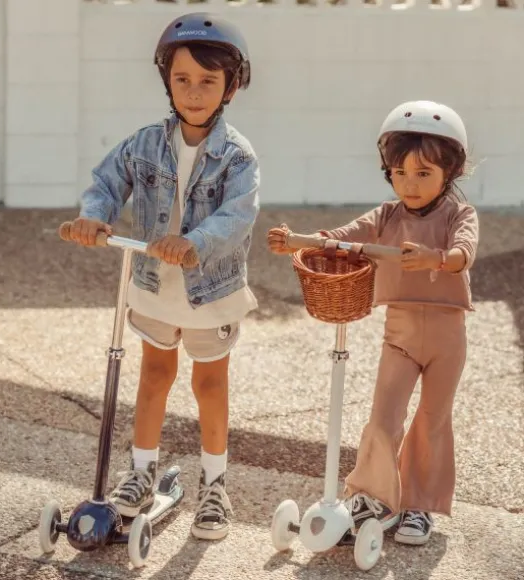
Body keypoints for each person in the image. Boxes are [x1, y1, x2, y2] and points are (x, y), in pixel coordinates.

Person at [64, 12, 260, 541]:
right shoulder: (145, 143)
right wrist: (94, 217)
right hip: (154, 283)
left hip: (209, 290)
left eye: (208, 81)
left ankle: (215, 485)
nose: (194, 92)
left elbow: (238, 216)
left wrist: (194, 242)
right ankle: (141, 473)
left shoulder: (237, 156)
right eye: (182, 79)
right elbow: (107, 182)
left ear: (230, 88)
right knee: (153, 376)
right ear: (166, 82)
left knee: (209, 384)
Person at [268, 100, 479, 546]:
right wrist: (296, 241)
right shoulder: (386, 216)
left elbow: (465, 252)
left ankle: (419, 505)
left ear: (450, 172)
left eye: (423, 173)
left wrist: (437, 259)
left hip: (447, 335)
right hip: (400, 333)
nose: (410, 184)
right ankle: (373, 496)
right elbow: (340, 238)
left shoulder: (459, 214)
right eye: (400, 172)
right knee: (383, 419)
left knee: (433, 418)